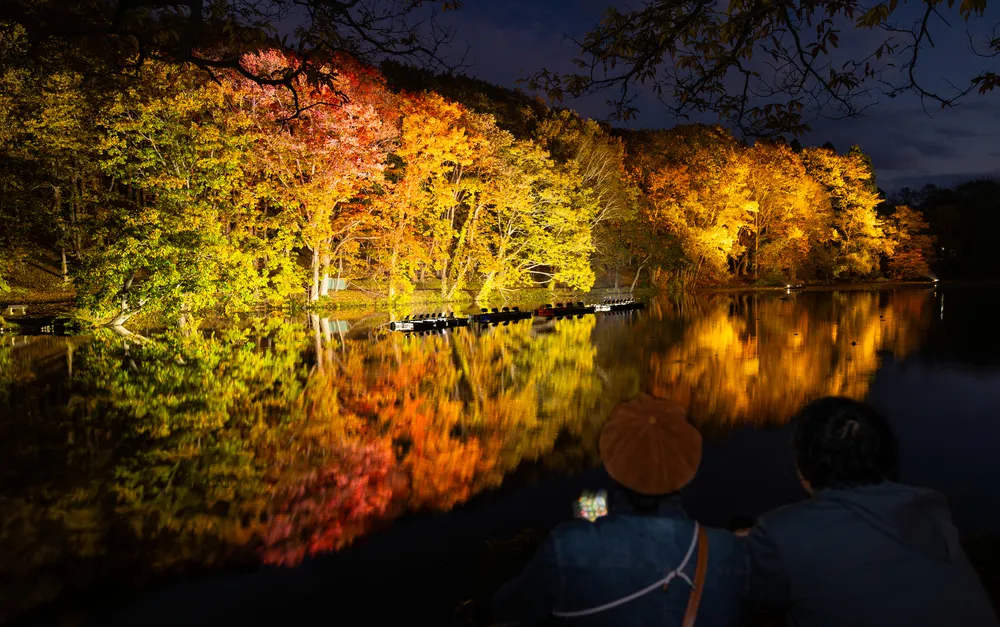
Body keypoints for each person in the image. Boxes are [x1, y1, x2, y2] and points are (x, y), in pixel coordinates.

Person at [492, 393, 747, 626]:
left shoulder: (566, 547)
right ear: (686, 467)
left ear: (614, 460)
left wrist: (587, 520)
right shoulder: (727, 550)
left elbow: (509, 609)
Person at [747, 396, 999, 626]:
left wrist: (744, 545)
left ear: (802, 468)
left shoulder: (782, 533)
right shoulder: (932, 517)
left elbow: (751, 595)